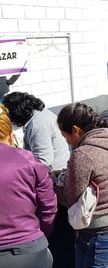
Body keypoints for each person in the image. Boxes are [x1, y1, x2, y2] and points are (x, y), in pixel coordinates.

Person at [55, 103, 108, 268]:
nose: (66, 141)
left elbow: (70, 198)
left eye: (65, 136)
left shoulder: (83, 154)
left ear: (76, 130)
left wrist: (52, 184)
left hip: (100, 236)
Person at [2, 91, 74, 268]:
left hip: (53, 181)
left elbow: (43, 160)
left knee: (61, 241)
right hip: (51, 182)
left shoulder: (37, 125)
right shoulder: (40, 116)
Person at [0, 104, 57, 268]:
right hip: (31, 249)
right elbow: (48, 207)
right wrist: (39, 235)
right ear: (11, 136)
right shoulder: (28, 160)